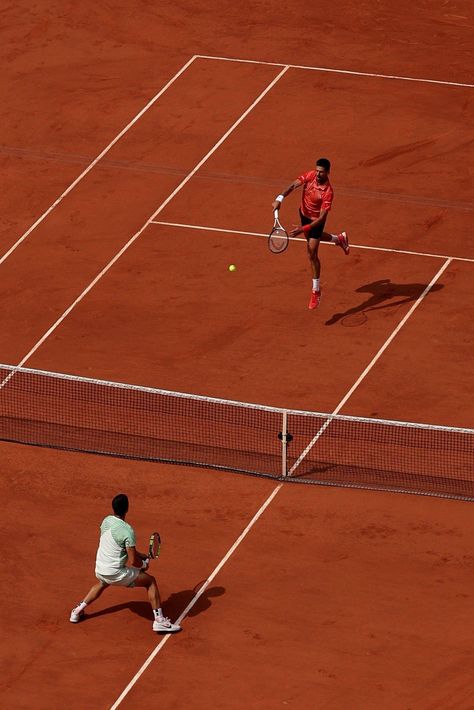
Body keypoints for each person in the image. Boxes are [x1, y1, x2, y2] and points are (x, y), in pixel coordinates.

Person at [69, 493, 181, 633]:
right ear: (127, 508)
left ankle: (76, 611)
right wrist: (144, 565)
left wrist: (141, 555)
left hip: (100, 567)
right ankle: (159, 621)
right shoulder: (128, 531)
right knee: (150, 581)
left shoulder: (106, 521)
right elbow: (133, 561)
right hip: (115, 572)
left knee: (103, 582)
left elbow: (120, 547)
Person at [272, 158, 349, 309]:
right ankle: (339, 239)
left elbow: (321, 219)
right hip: (303, 214)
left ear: (328, 173)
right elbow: (293, 185)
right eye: (317, 170)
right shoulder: (310, 175)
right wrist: (279, 199)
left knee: (312, 252)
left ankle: (316, 290)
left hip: (315, 221)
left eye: (321, 172)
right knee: (313, 241)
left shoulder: (328, 192)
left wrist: (303, 229)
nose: (318, 174)